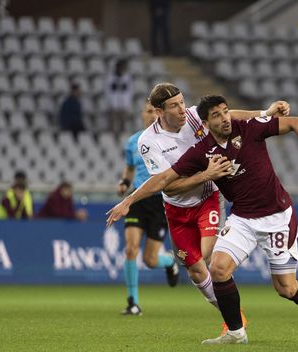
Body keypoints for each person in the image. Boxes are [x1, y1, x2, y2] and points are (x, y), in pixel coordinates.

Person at [106, 95, 298, 345]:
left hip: (277, 216)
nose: (225, 118)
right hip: (243, 218)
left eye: (225, 112)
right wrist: (128, 201)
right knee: (218, 269)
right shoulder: (201, 152)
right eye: (217, 115)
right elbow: (164, 180)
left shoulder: (250, 128)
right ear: (205, 124)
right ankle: (235, 331)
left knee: (286, 288)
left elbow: (295, 121)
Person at [123, 82, 289, 331]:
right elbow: (168, 186)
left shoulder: (192, 117)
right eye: (174, 106)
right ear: (159, 111)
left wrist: (264, 113)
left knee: (209, 257)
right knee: (196, 272)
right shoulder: (148, 142)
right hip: (176, 208)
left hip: (208, 198)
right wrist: (205, 174)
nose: (182, 109)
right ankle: (234, 316)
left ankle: (231, 321)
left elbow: (232, 117)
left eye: (181, 102)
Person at [117, 100, 179, 316]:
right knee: (130, 249)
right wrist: (125, 182)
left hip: (160, 201)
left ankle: (169, 260)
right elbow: (130, 167)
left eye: (155, 111)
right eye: (148, 111)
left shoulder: (170, 138)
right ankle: (132, 302)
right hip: (137, 199)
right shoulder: (134, 141)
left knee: (150, 260)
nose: (152, 115)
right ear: (143, 114)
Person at [105, 59, 133, 134]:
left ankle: (122, 136)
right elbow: (108, 91)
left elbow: (129, 92)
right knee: (112, 123)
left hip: (123, 104)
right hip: (113, 104)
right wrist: (110, 103)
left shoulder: (127, 77)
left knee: (123, 123)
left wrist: (127, 105)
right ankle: (112, 137)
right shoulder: (111, 77)